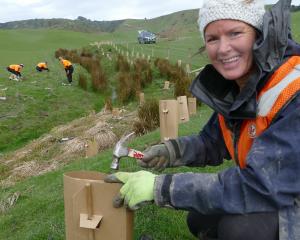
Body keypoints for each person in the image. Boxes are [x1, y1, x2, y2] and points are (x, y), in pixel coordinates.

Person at [105, 0, 300, 240]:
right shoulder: (243, 87)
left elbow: (260, 185)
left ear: (259, 35)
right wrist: (171, 151)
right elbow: (213, 141)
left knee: (241, 230)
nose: (223, 49)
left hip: (288, 198)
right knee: (200, 218)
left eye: (235, 33)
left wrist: (162, 188)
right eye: (212, 39)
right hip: (277, 192)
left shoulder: (294, 89)